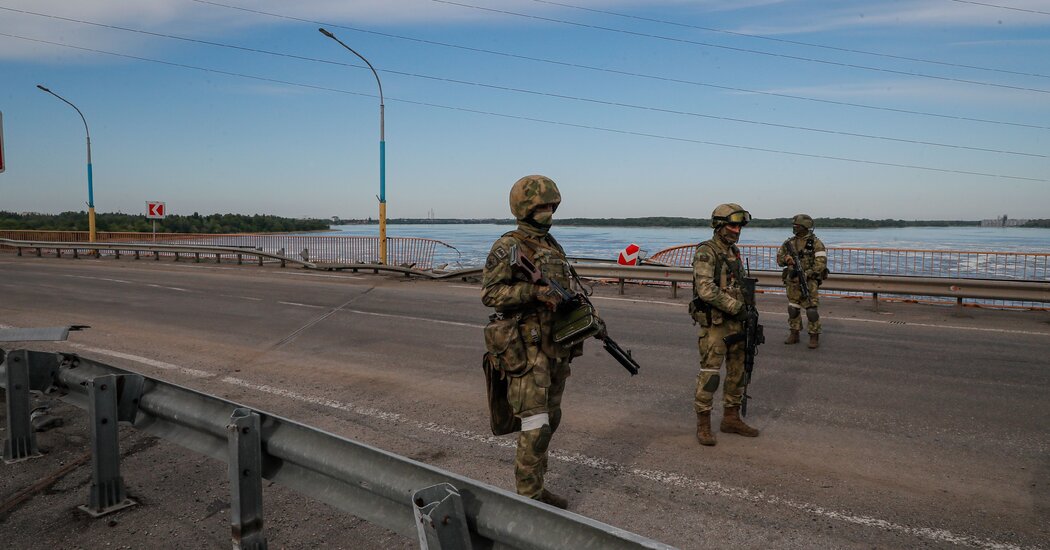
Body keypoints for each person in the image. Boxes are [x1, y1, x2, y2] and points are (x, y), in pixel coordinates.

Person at [481, 174, 579, 509]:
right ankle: (528, 503)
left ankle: (537, 489)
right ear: (524, 207)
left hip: (555, 348)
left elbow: (565, 290)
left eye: (551, 205)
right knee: (535, 426)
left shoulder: (553, 245)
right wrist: (535, 293)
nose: (548, 212)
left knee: (551, 420)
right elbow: (491, 294)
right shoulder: (508, 246)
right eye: (541, 206)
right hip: (526, 350)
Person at [689, 203, 760, 447]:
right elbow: (705, 289)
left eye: (739, 225)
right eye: (732, 224)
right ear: (719, 226)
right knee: (710, 376)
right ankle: (704, 425)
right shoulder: (706, 251)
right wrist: (737, 308)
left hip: (737, 324)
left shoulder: (733, 252)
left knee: (738, 373)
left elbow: (737, 286)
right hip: (717, 324)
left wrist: (749, 311)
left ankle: (731, 418)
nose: (737, 229)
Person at [776, 214, 828, 349]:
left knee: (811, 310)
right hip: (792, 281)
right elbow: (779, 260)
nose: (794, 228)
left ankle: (814, 336)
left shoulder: (816, 243)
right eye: (793, 225)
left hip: (809, 281)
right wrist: (786, 259)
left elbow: (821, 264)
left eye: (797, 225)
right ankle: (794, 333)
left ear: (805, 227)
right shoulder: (789, 243)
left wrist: (806, 274)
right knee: (793, 308)